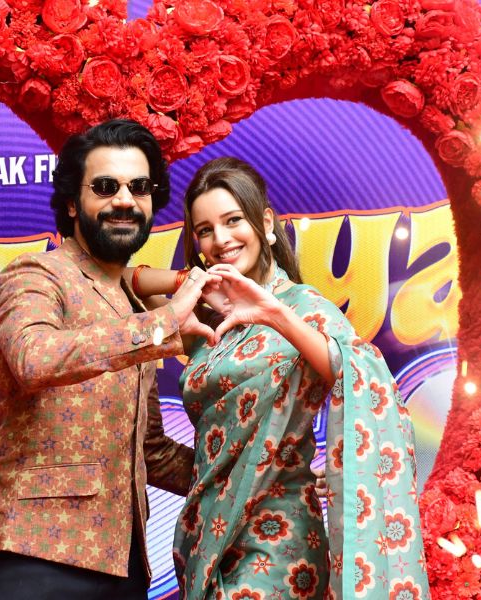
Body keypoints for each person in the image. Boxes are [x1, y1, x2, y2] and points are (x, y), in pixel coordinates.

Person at [129, 157, 430, 600]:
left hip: (279, 537)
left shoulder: (302, 307)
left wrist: (273, 314)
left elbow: (359, 372)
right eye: (205, 230)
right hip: (205, 534)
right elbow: (130, 281)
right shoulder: (210, 320)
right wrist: (191, 282)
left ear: (265, 223)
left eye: (233, 221)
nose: (221, 239)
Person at [0, 119, 220, 600]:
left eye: (139, 188)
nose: (125, 200)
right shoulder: (36, 274)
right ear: (73, 203)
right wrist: (163, 323)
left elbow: (150, 452)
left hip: (122, 563)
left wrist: (256, 474)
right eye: (105, 186)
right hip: (31, 553)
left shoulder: (131, 303)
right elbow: (33, 357)